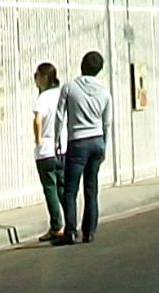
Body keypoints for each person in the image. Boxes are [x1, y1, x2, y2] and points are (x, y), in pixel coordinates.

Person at [55, 51, 110, 246]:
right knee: (91, 188)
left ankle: (70, 231)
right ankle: (90, 231)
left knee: (70, 189)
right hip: (97, 141)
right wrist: (105, 145)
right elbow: (106, 122)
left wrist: (57, 139)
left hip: (77, 142)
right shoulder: (104, 92)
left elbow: (60, 115)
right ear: (99, 69)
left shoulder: (69, 87)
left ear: (82, 65)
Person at [31, 62, 66, 242]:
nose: (35, 79)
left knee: (50, 188)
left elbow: (38, 120)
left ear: (45, 77)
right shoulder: (62, 93)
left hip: (46, 150)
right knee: (63, 187)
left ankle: (56, 226)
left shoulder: (43, 97)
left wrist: (38, 140)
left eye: (36, 75)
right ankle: (70, 221)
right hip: (63, 148)